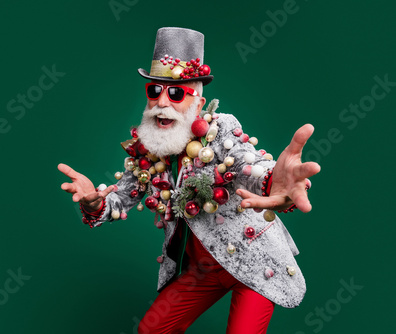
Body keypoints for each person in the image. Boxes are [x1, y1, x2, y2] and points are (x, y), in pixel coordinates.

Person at [58, 27, 320, 334]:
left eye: (176, 92)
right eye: (154, 91)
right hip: (205, 270)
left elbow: (249, 167)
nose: (162, 102)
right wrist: (95, 202)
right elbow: (122, 198)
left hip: (253, 260)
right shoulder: (146, 147)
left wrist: (276, 182)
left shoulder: (220, 130)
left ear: (198, 101)